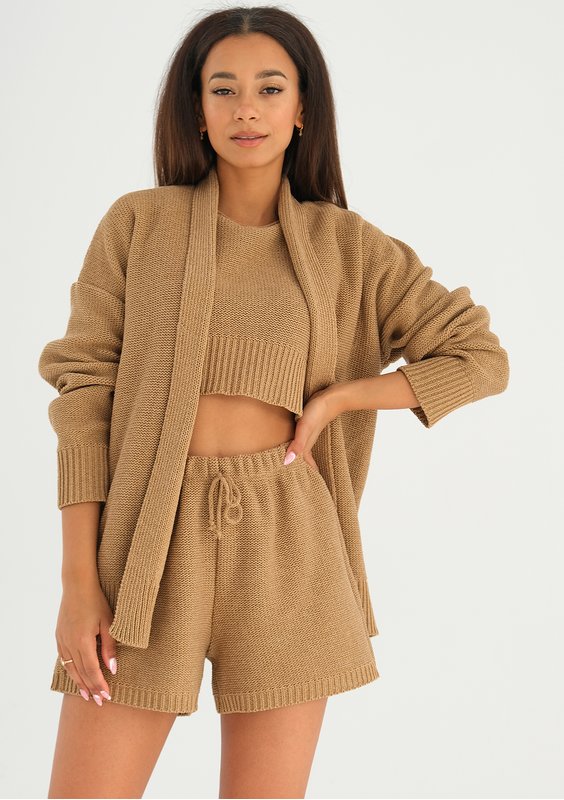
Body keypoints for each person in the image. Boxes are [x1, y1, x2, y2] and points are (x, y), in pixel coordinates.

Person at [38, 6, 510, 798]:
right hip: (149, 542)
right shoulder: (138, 226)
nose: (246, 109)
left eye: (269, 88)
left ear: (302, 110)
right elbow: (84, 395)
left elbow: (480, 357)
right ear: (197, 110)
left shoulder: (348, 247)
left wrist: (342, 399)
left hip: (291, 539)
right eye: (223, 89)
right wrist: (77, 582)